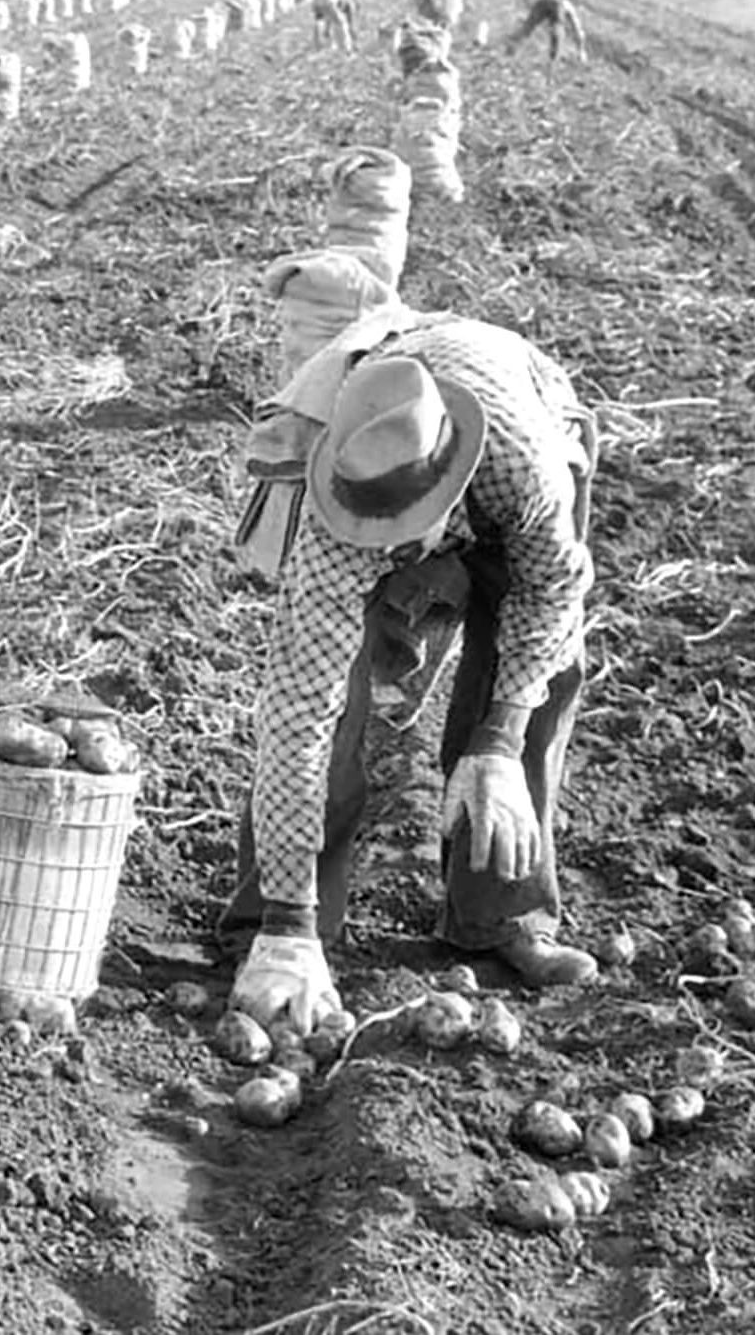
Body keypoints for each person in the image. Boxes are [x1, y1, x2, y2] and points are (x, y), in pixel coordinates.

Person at [224, 317, 601, 1032]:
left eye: (404, 534)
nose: (388, 553)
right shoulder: (338, 519)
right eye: (378, 536)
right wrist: (285, 922)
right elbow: (299, 709)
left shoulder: (522, 471)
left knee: (540, 683)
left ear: (446, 497)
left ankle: (502, 919)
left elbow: (552, 593)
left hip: (513, 428)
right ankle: (274, 930)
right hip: (400, 397)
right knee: (329, 716)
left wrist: (498, 738)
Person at [508, 0, 588, 63]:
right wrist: (581, 51)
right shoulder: (568, 8)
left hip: (543, 2)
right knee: (557, 32)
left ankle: (511, 49)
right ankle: (553, 59)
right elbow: (577, 30)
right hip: (552, 4)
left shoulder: (566, 7)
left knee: (528, 28)